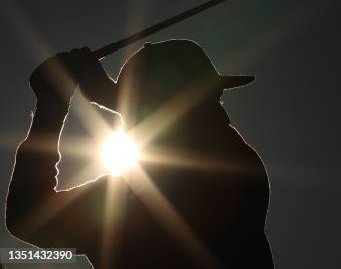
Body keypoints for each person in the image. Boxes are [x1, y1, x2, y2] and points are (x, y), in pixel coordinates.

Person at [6, 40, 274, 268]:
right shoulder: (237, 161)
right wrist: (113, 96)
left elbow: (28, 216)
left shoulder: (139, 196)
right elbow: (176, 122)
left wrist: (52, 106)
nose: (217, 105)